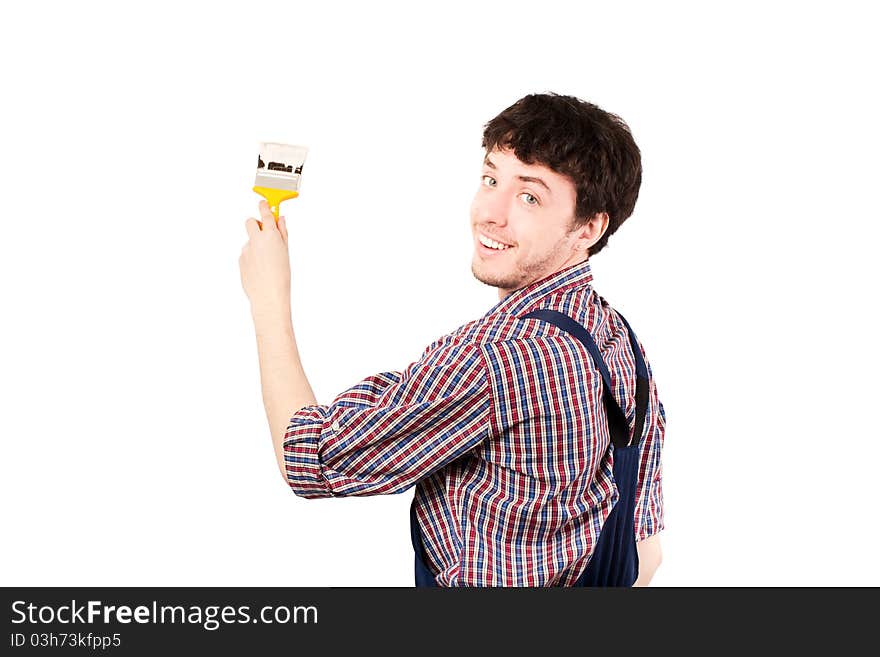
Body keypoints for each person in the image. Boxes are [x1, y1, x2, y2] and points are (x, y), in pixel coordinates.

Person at [239, 92, 666, 587]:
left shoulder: (497, 359)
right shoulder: (618, 341)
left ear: (588, 227)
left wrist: (269, 298)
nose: (491, 212)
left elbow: (310, 457)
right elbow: (645, 552)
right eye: (491, 179)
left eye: (529, 196)